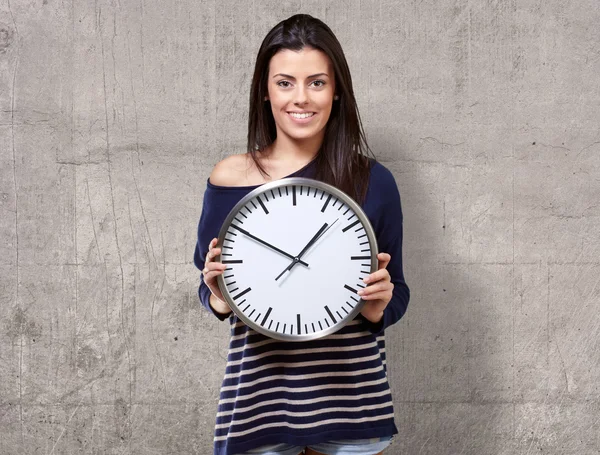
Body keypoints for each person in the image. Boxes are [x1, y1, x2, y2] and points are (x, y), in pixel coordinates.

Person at [193, 14, 410, 455]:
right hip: (259, 401)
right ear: (266, 91)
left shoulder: (373, 181)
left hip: (351, 401)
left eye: (316, 82)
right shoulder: (231, 177)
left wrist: (376, 306)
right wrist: (217, 296)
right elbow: (210, 279)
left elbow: (398, 293)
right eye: (285, 82)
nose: (301, 98)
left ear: (336, 92)